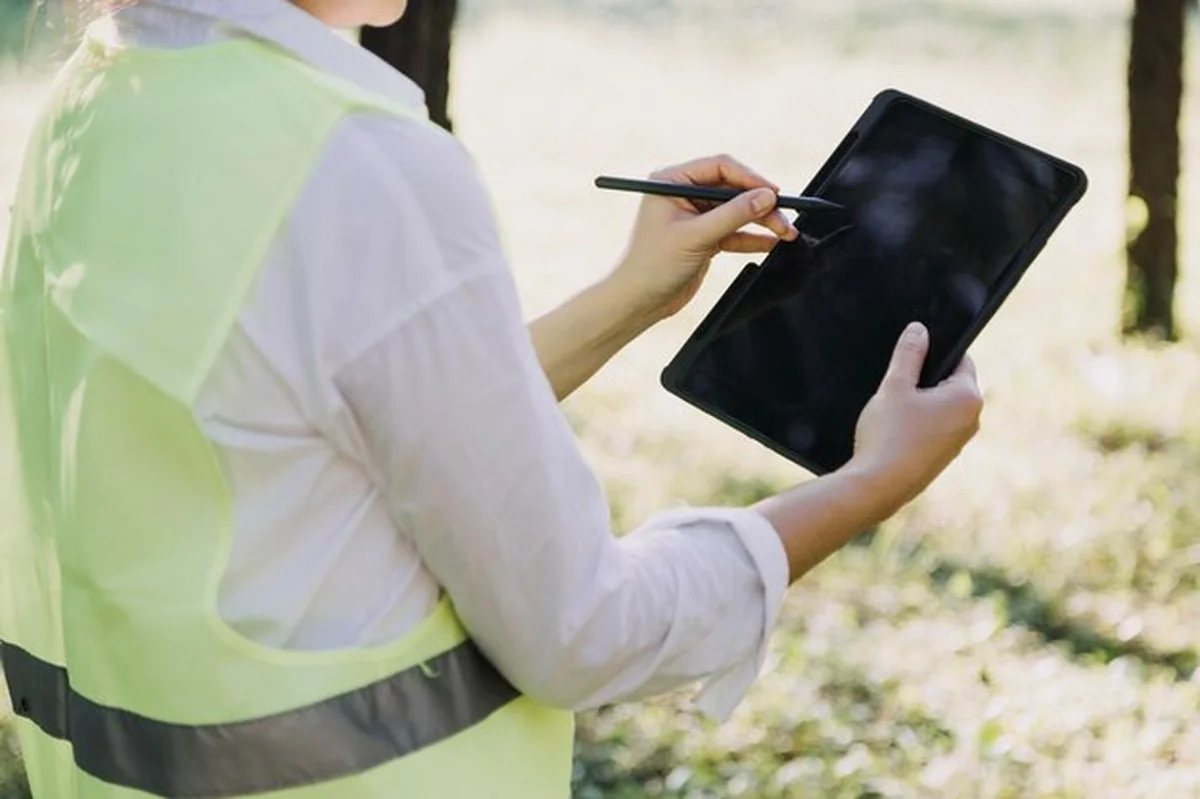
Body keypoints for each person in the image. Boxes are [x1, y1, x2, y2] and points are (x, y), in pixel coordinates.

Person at [0, 1, 983, 797]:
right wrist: (876, 479)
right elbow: (582, 633)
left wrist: (623, 297)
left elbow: (327, 424)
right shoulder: (362, 166)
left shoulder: (93, 100)